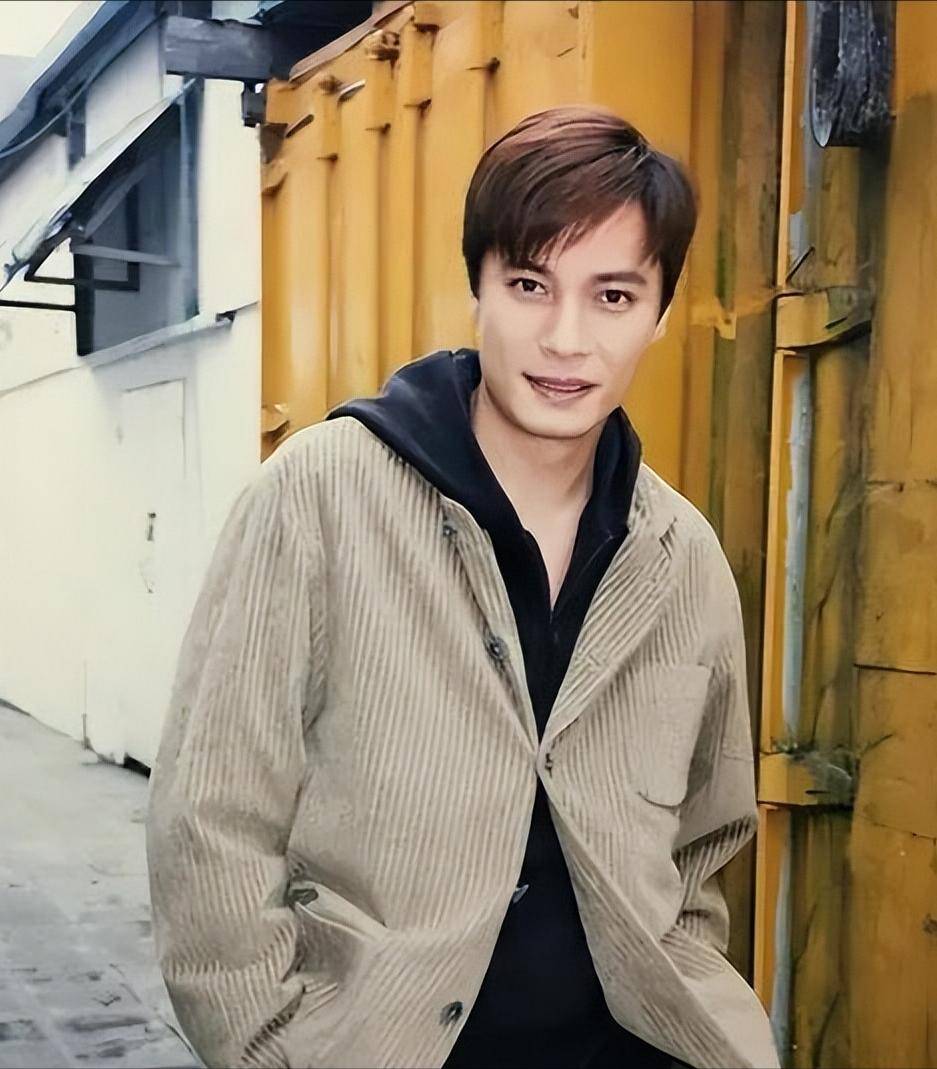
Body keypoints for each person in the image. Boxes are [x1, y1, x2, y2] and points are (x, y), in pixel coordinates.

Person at [146, 105, 780, 1069]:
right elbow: (212, 816)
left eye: (613, 295)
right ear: (477, 286)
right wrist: (271, 1049)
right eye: (530, 285)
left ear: (658, 314)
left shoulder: (682, 556)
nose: (565, 338)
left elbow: (703, 836)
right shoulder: (321, 494)